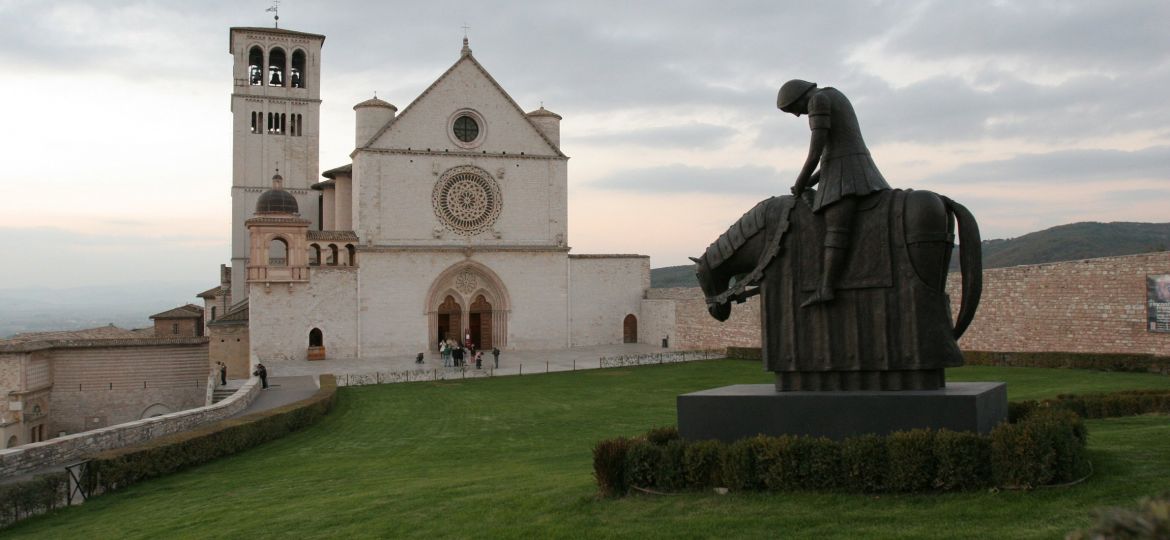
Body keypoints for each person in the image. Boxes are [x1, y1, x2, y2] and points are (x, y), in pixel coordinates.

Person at [778, 79, 891, 307]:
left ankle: (826, 287)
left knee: (835, 226)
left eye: (793, 110)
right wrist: (811, 181)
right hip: (844, 166)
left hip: (849, 171)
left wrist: (800, 182)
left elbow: (816, 151)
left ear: (799, 97)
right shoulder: (833, 94)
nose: (797, 115)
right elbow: (833, 152)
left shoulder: (818, 100)